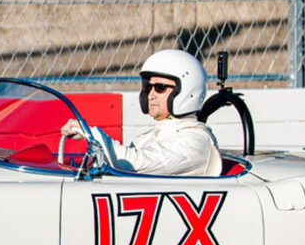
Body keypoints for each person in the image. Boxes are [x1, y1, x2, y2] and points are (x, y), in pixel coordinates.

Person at [63, 49, 222, 176]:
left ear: (186, 91)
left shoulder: (194, 143)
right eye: (147, 87)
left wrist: (91, 133)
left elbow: (129, 163)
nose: (151, 95)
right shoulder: (151, 136)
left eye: (159, 88)